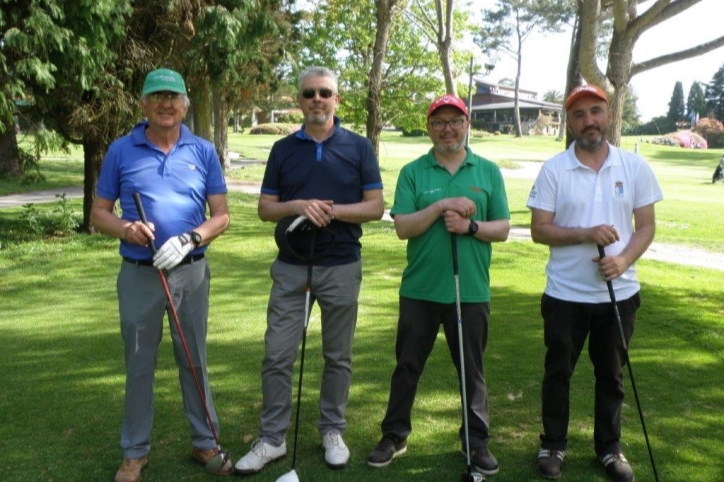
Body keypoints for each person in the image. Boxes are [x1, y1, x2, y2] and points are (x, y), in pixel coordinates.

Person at [234, 66, 384, 474]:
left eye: (325, 93)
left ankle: (332, 429)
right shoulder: (283, 149)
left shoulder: (358, 147)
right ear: (299, 100)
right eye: (309, 93)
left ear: (337, 99)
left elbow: (375, 206)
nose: (317, 99)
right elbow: (266, 208)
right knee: (277, 354)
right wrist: (299, 206)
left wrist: (331, 210)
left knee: (338, 356)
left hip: (340, 266)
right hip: (291, 266)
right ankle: (272, 439)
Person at [90, 68, 232, 482]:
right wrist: (126, 229)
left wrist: (191, 238)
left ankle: (204, 441)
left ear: (185, 104)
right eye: (157, 96)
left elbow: (221, 215)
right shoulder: (121, 149)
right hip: (140, 273)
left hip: (190, 270)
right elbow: (99, 212)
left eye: (174, 97)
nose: (166, 104)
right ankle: (134, 452)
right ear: (144, 104)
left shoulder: (203, 150)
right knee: (139, 362)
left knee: (194, 361)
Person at [366, 94, 510, 476]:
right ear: (429, 128)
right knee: (407, 367)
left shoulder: (489, 171)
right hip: (420, 289)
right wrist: (442, 207)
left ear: (467, 125)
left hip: (471, 290)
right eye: (439, 122)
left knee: (472, 372)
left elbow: (504, 229)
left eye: (455, 121)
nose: (447, 129)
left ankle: (476, 442)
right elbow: (402, 227)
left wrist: (470, 227)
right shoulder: (414, 172)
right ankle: (394, 435)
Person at [527, 84, 663, 482]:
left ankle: (610, 448)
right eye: (580, 114)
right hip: (565, 295)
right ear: (569, 122)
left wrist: (622, 259)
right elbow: (539, 230)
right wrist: (587, 232)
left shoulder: (634, 167)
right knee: (558, 373)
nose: (589, 120)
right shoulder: (554, 169)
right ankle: (553, 443)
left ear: (609, 115)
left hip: (619, 295)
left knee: (612, 376)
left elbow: (646, 226)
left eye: (596, 111)